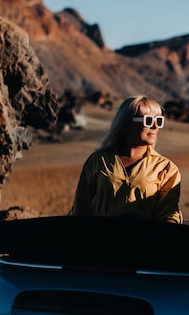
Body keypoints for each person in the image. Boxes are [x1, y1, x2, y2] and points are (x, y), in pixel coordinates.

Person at [69, 95, 183, 223]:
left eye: (159, 121)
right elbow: (81, 209)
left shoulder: (166, 168)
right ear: (127, 124)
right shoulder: (97, 161)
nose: (155, 126)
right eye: (149, 120)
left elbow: (169, 212)